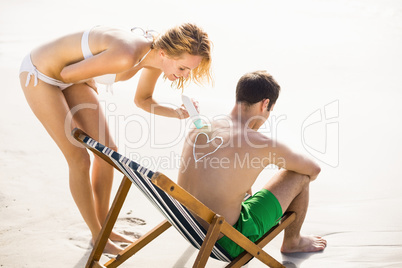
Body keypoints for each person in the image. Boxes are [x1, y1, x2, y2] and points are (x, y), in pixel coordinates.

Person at [19, 23, 212, 254]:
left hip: (72, 76)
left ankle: (106, 227)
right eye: (183, 68)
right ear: (165, 53)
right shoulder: (126, 56)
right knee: (79, 159)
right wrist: (94, 85)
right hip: (42, 75)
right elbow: (66, 74)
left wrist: (177, 113)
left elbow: (143, 99)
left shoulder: (154, 57)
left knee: (107, 151)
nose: (185, 75)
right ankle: (97, 235)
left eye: (189, 70)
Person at [177, 70, 327, 259]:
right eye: (270, 109)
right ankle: (293, 241)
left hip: (186, 223)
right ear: (265, 104)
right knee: (299, 174)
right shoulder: (257, 141)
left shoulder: (202, 125)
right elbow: (314, 169)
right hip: (226, 239)